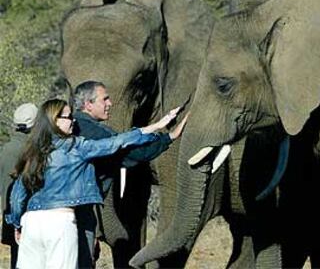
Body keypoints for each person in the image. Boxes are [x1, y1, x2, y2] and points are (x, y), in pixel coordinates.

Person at [5, 98, 186, 269]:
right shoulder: (76, 147)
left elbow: (18, 194)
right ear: (55, 121)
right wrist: (160, 128)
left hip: (31, 222)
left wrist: (17, 224)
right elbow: (117, 142)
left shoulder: (33, 150)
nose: (73, 122)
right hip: (60, 222)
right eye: (68, 117)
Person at [72, 80, 184, 268]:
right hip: (74, 213)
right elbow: (134, 152)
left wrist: (158, 126)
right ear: (88, 104)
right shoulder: (93, 131)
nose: (110, 103)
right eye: (104, 99)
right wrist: (168, 137)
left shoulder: (76, 126)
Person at [0, 103, 38, 269]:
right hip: (28, 215)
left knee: (17, 258)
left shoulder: (6, 149)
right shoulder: (32, 150)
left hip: (9, 211)